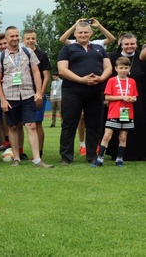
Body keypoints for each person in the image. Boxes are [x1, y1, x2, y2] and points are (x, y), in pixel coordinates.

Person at [0, 26, 53, 168]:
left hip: (27, 94)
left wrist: (38, 92)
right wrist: (2, 99)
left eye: (16, 35)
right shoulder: (0, 56)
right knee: (12, 127)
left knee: (31, 125)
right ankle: (16, 159)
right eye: (12, 36)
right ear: (6, 38)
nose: (15, 38)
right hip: (10, 96)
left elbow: (36, 72)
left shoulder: (28, 52)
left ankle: (37, 160)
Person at [57, 21, 112, 165]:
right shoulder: (68, 49)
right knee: (69, 124)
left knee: (94, 125)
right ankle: (66, 157)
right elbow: (63, 70)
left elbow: (108, 68)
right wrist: (81, 80)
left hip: (95, 92)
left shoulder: (99, 48)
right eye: (80, 32)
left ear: (91, 33)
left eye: (86, 32)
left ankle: (92, 155)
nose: (83, 35)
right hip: (72, 92)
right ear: (75, 34)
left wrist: (101, 78)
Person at [91, 57, 137, 167]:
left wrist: (132, 99)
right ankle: (100, 159)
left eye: (126, 68)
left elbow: (135, 96)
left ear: (129, 68)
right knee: (107, 136)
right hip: (114, 112)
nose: (123, 70)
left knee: (123, 137)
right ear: (116, 68)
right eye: (121, 68)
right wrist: (123, 97)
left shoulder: (132, 81)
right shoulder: (112, 80)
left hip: (127, 113)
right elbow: (107, 97)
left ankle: (120, 159)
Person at [106, 33, 146, 160]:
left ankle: (138, 154)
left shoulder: (141, 59)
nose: (130, 46)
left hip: (137, 100)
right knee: (117, 128)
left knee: (137, 127)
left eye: (132, 44)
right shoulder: (112, 57)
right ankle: (117, 154)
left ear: (136, 44)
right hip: (117, 101)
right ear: (121, 44)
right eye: (126, 44)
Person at [22, 29, 51, 158]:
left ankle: (38, 153)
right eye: (27, 38)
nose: (30, 40)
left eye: (33, 38)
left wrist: (40, 93)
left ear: (36, 39)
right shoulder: (19, 54)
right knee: (20, 124)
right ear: (23, 40)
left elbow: (46, 77)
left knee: (37, 123)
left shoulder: (42, 55)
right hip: (22, 94)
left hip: (36, 94)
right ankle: (20, 152)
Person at [0, 33, 10, 151]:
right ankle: (4, 143)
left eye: (5, 43)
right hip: (0, 93)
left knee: (16, 123)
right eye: (0, 44)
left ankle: (18, 148)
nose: (3, 46)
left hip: (14, 92)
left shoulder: (17, 54)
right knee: (1, 119)